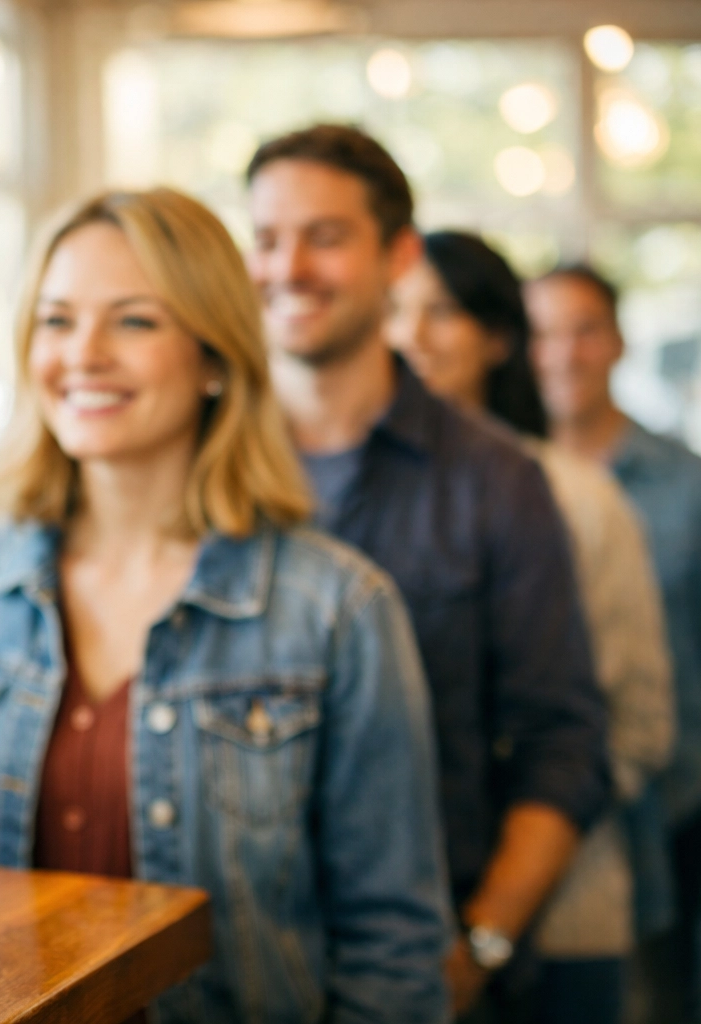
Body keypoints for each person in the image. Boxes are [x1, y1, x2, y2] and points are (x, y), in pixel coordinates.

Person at [0, 187, 451, 1023]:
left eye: (135, 321)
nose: (84, 355)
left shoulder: (337, 608)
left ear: (215, 357)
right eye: (57, 320)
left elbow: (392, 947)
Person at [245, 125, 609, 1020]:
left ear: (397, 255)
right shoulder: (202, 469)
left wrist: (478, 947)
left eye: (325, 237)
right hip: (230, 972)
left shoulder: (497, 480)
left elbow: (562, 744)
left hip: (434, 972)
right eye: (266, 238)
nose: (288, 267)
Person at [388, 231, 672, 1024]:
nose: (411, 337)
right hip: (406, 908)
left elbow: (638, 724)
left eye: (440, 312)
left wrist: (520, 854)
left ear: (497, 337)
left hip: (561, 908)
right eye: (396, 311)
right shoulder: (357, 494)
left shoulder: (574, 496)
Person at [526, 265, 701, 1021]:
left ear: (619, 341)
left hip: (676, 811)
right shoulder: (506, 485)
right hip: (546, 826)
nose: (564, 352)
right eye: (543, 332)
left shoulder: (683, 483)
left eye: (584, 328)